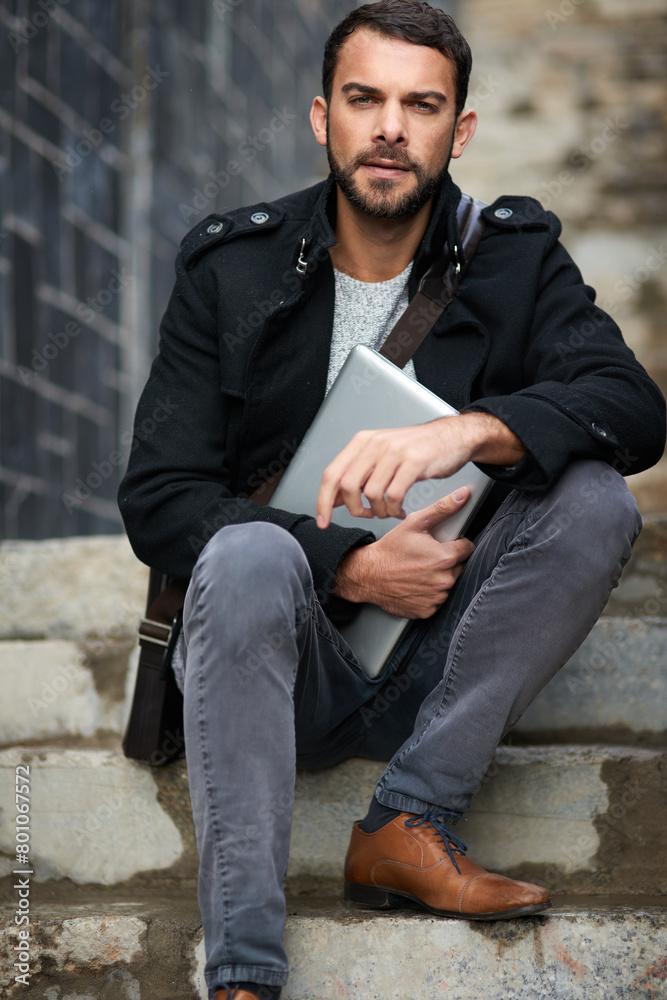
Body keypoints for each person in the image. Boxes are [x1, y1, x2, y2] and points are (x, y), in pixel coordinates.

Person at [118, 3, 666, 998]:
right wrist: (348, 564)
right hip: (273, 669)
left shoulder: (514, 257)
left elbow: (631, 408)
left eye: (421, 105)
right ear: (321, 117)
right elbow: (159, 499)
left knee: (593, 497)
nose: (389, 129)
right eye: (365, 100)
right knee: (244, 554)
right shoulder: (228, 266)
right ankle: (242, 968)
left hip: (440, 663)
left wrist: (471, 428)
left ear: (457, 132)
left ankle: (409, 820)